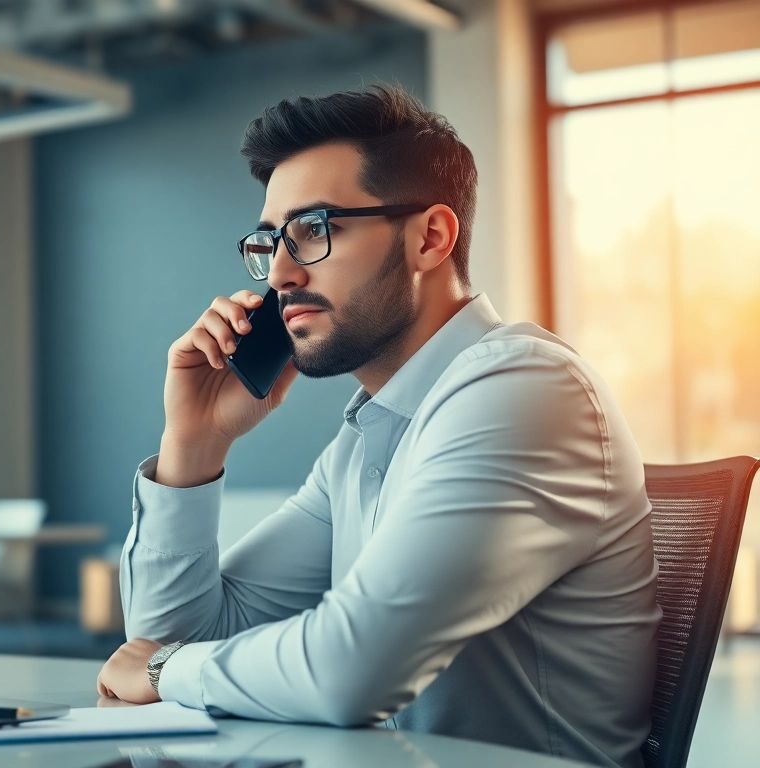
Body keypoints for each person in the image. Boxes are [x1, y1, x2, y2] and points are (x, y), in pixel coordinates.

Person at [94, 85, 659, 768]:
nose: (280, 273)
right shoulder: (367, 438)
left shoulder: (526, 391)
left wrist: (165, 672)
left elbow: (350, 669)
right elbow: (172, 642)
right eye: (271, 240)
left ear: (430, 238)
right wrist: (194, 442)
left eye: (313, 229)